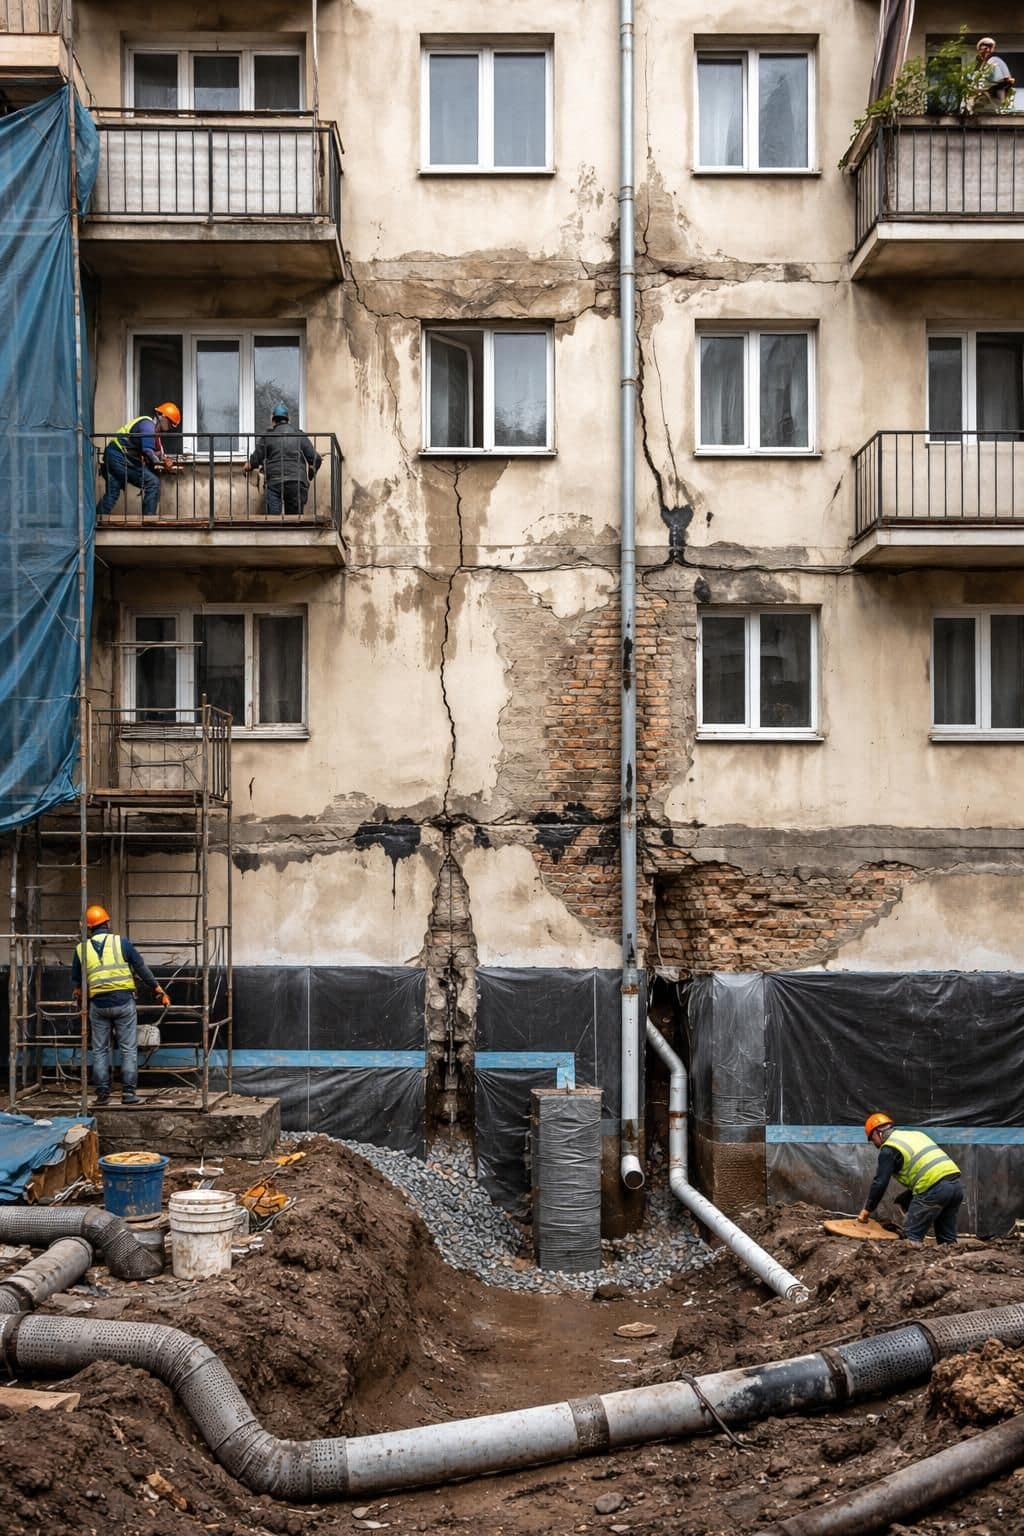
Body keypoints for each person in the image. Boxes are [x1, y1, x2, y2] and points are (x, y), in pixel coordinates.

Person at [71, 904, 170, 1106]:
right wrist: (158, 989)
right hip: (123, 1003)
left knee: (99, 1050)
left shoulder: (81, 949)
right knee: (128, 1049)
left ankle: (102, 1095)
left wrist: (80, 998)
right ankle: (128, 1094)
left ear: (89, 928)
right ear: (107, 923)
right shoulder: (121, 942)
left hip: (97, 1006)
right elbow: (141, 969)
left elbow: (78, 985)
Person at [858, 1112, 964, 1245]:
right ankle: (951, 1264)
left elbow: (880, 1183)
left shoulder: (889, 1149)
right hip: (955, 1186)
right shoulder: (915, 1135)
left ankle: (912, 1264)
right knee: (947, 1242)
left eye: (872, 1139)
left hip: (934, 1188)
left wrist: (867, 1210)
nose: (874, 1143)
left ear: (876, 1133)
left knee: (910, 1241)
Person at [97, 403, 182, 519]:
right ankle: (149, 520)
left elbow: (156, 452)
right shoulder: (148, 426)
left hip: (112, 455)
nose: (171, 428)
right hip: (119, 457)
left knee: (112, 493)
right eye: (171, 423)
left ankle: (95, 520)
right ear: (162, 416)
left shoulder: (153, 432)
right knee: (153, 482)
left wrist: (163, 459)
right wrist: (161, 463)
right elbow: (148, 450)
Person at [244, 402, 322, 516]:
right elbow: (316, 459)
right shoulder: (299, 435)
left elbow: (255, 460)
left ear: (273, 420)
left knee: (274, 522)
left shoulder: (268, 436)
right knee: (295, 522)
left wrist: (247, 466)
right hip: (296, 482)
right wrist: (311, 473)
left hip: (274, 482)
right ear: (288, 420)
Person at [975, 37, 1015, 111]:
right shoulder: (983, 66)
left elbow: (1005, 82)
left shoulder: (994, 61)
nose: (986, 51)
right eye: (982, 49)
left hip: (994, 102)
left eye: (988, 48)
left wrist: (988, 90)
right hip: (985, 104)